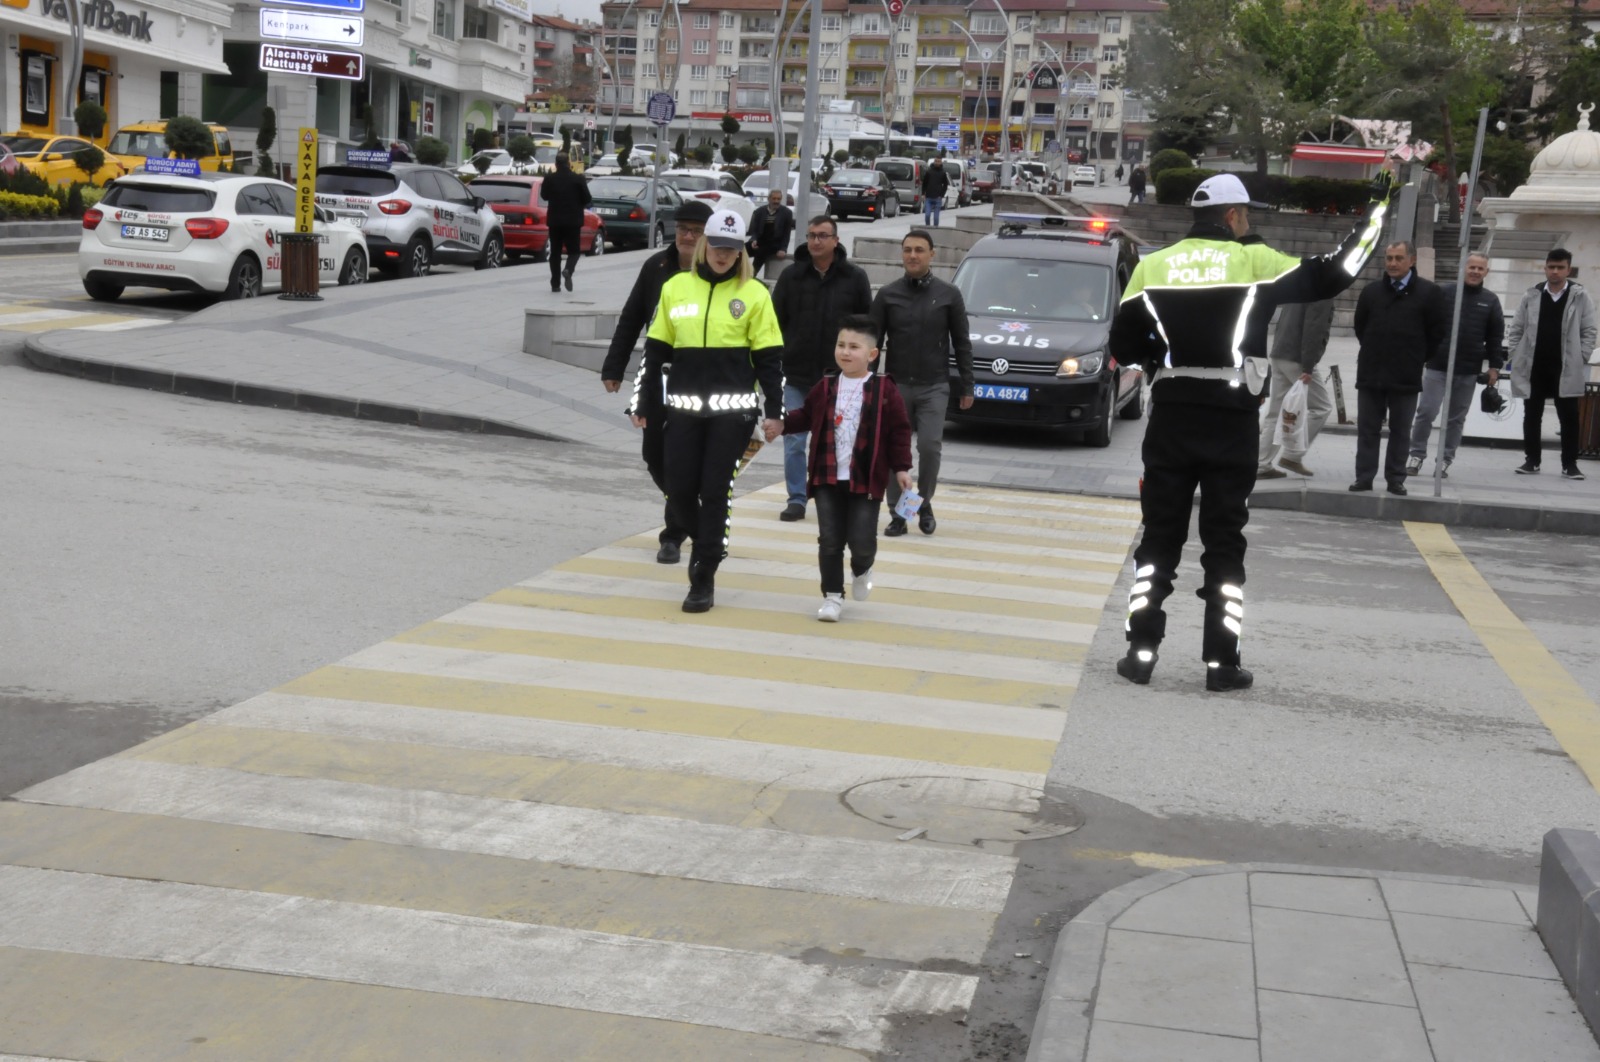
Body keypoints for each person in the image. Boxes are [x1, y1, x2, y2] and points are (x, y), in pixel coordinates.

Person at [1109, 171, 1393, 692]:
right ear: (1234, 216)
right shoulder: (1254, 259)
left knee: (1158, 543)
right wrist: (1375, 210)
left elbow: (1123, 345)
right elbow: (1336, 273)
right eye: (1248, 216)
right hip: (1232, 418)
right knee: (1224, 544)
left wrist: (1160, 359)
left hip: (1171, 418)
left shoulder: (1152, 266)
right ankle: (1222, 664)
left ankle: (1140, 653)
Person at [632, 209, 785, 612]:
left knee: (715, 491)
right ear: (704, 245)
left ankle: (703, 576)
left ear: (742, 252)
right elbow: (656, 351)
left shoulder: (755, 294)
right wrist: (645, 402)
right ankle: (707, 541)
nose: (723, 255)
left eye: (732, 249)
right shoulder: (676, 287)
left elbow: (770, 359)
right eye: (717, 246)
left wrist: (775, 410)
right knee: (679, 488)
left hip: (731, 415)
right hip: (681, 410)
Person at [768, 315, 913, 622]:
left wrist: (901, 469)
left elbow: (899, 431)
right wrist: (780, 424)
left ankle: (862, 568)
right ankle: (832, 596)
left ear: (872, 354)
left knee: (862, 540)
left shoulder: (885, 389)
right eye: (841, 345)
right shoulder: (826, 386)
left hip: (865, 479)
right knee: (830, 539)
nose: (846, 352)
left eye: (854, 347)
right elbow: (805, 416)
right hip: (826, 476)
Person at [601, 199, 715, 564]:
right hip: (656, 371)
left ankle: (674, 534)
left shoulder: (715, 271)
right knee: (654, 454)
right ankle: (690, 508)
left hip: (698, 374)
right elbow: (633, 316)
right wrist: (614, 367)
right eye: (683, 228)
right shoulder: (657, 266)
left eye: (696, 231)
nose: (687, 235)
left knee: (680, 455)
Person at [869, 229, 974, 537]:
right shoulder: (887, 295)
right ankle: (898, 514)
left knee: (929, 447)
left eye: (919, 250)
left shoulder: (948, 294)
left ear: (932, 254)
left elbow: (962, 343)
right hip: (896, 385)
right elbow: (873, 342)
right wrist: (867, 385)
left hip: (933, 385)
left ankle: (921, 503)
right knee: (893, 451)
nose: (912, 255)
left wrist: (967, 385)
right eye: (907, 250)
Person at [772, 214, 874, 522]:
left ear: (835, 240)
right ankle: (797, 498)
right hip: (795, 373)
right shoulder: (791, 277)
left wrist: (866, 368)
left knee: (836, 440)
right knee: (793, 440)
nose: (816, 241)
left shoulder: (854, 278)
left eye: (822, 235)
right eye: (811, 235)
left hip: (837, 377)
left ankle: (833, 494)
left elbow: (867, 326)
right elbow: (775, 323)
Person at [1350, 241, 1449, 496]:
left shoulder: (1429, 293)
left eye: (1398, 258)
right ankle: (1364, 477)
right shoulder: (1371, 291)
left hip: (1406, 375)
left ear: (1412, 260)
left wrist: (1415, 357)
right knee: (1368, 429)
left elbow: (1437, 333)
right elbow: (1360, 327)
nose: (1392, 263)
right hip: (1371, 373)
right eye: (1389, 258)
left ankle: (1396, 478)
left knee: (1401, 431)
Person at [1406, 252, 1505, 479]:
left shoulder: (1490, 300)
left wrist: (1494, 367)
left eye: (1480, 268)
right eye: (1472, 267)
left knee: (1455, 419)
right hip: (1437, 365)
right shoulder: (1442, 292)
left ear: (1486, 272)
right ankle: (1416, 456)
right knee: (1426, 411)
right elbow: (1424, 324)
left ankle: (1445, 460)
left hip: (1468, 369)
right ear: (1463, 268)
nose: (1475, 271)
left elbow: (1495, 336)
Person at [1505, 248, 1597, 480]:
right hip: (1534, 366)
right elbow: (1516, 328)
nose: (1555, 272)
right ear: (1545, 268)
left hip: (1565, 367)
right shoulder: (1531, 295)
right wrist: (1517, 354)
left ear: (1568, 269)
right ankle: (1532, 461)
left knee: (1569, 417)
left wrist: (1581, 356)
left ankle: (1570, 465)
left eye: (1560, 267)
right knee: (1532, 415)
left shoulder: (1580, 296)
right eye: (1551, 267)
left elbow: (1589, 330)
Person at [1256, 299, 1336, 479]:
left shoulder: (1300, 285)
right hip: (1297, 357)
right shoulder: (1322, 292)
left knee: (1275, 414)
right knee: (1321, 408)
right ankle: (1292, 455)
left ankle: (1261, 464)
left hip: (1280, 352)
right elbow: (1314, 328)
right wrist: (1308, 366)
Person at [538, 152, 591, 293]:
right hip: (573, 222)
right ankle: (568, 269)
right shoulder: (578, 179)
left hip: (555, 222)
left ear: (556, 164)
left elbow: (544, 196)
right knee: (574, 252)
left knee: (555, 253)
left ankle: (555, 284)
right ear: (569, 163)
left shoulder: (549, 178)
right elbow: (587, 198)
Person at [746, 187, 795, 276]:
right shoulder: (759, 211)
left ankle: (750, 276)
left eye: (778, 199)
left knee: (761, 253)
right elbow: (755, 230)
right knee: (741, 250)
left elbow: (786, 233)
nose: (776, 201)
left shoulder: (787, 213)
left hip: (774, 244)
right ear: (769, 199)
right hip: (760, 241)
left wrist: (783, 249)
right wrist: (753, 240)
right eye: (774, 198)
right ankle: (735, 272)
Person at [921, 159, 950, 227]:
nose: (937, 163)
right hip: (928, 197)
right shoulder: (929, 172)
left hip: (938, 198)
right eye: (936, 161)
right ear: (934, 162)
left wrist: (942, 195)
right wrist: (923, 194)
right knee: (927, 215)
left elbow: (945, 185)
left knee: (936, 218)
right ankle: (927, 227)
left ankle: (935, 229)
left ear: (941, 163)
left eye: (938, 161)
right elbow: (924, 183)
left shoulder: (943, 173)